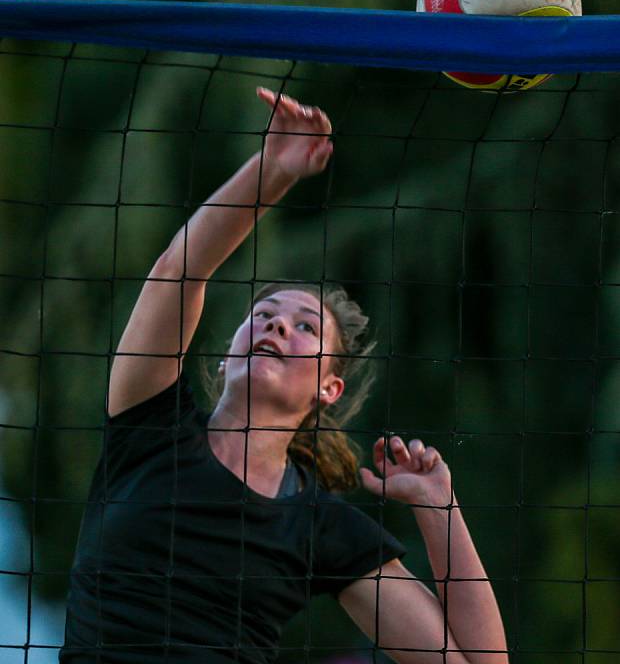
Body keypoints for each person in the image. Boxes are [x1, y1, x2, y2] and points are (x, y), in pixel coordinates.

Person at [60, 88, 508, 664]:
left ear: (329, 387)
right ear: (228, 354)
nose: (277, 328)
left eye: (304, 328)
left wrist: (437, 507)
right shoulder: (149, 428)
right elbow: (180, 269)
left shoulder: (320, 527)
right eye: (264, 317)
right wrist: (273, 169)